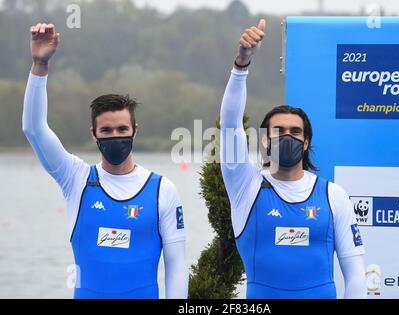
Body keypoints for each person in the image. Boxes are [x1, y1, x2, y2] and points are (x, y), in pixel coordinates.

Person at [22, 23, 188, 299]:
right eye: (107, 131)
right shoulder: (75, 179)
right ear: (94, 135)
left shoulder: (162, 191)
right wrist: (40, 65)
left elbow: (177, 267)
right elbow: (34, 129)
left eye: (122, 130)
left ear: (135, 130)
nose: (115, 136)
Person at [220, 19, 366, 299]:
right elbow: (229, 124)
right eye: (278, 131)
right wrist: (241, 65)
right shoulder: (245, 186)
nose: (287, 136)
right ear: (265, 140)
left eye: (295, 131)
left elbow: (355, 272)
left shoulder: (333, 195)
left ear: (306, 141)